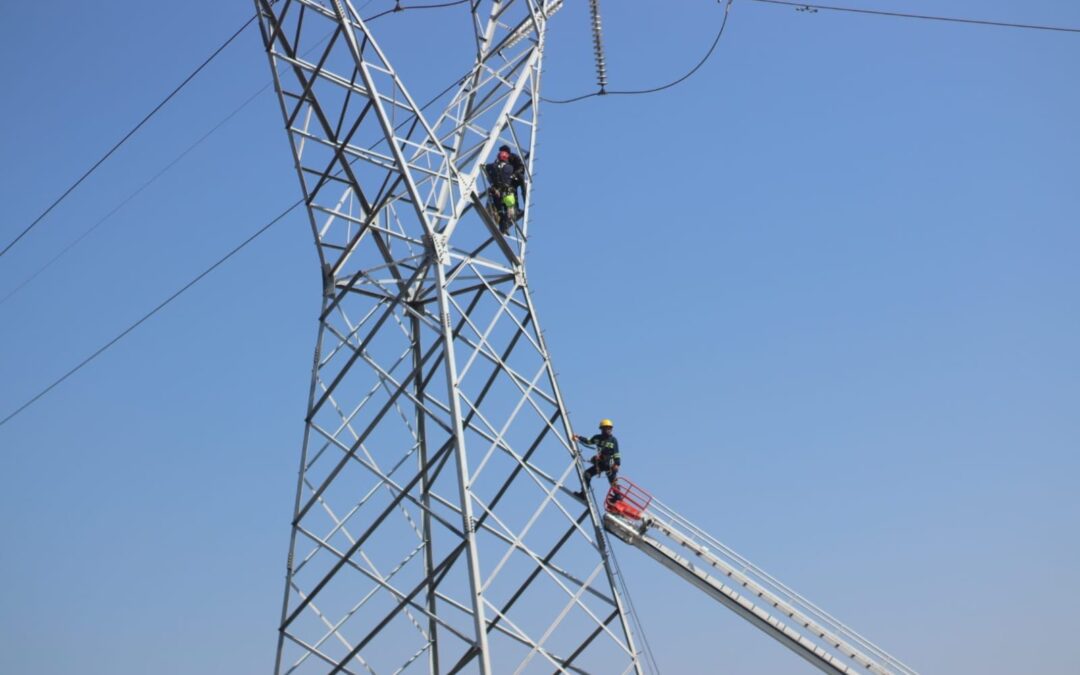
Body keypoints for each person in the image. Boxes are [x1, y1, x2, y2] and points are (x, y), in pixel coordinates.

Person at [572, 419, 620, 499]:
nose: (609, 430)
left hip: (610, 465)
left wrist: (617, 464)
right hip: (601, 463)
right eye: (607, 428)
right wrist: (579, 437)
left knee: (613, 481)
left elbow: (616, 453)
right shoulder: (597, 438)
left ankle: (618, 497)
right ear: (602, 429)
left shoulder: (613, 440)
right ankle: (583, 494)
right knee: (587, 474)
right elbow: (588, 441)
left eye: (610, 428)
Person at [484, 149, 518, 233]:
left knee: (504, 210)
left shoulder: (494, 166)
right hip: (500, 191)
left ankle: (503, 226)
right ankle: (503, 226)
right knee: (503, 210)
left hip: (502, 191)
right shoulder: (508, 167)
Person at [498, 144, 527, 208]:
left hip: (518, 174)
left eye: (503, 152)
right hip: (510, 178)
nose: (501, 153)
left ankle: (526, 201)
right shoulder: (501, 159)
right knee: (513, 191)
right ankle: (517, 208)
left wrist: (515, 173)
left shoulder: (514, 157)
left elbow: (521, 167)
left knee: (522, 183)